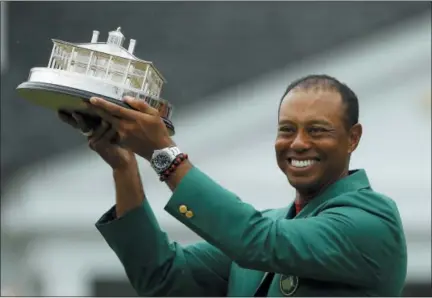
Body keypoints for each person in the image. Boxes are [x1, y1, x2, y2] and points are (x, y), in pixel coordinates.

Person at [58, 74, 407, 297]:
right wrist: (124, 166)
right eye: (286, 129)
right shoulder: (270, 229)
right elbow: (161, 276)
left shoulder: (372, 222)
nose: (297, 143)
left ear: (353, 138)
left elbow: (257, 242)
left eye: (317, 130)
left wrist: (165, 156)